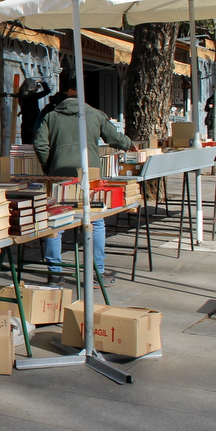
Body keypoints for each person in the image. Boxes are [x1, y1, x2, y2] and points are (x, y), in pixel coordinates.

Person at [34, 75, 136, 288]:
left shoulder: (51, 116)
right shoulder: (95, 115)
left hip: (59, 175)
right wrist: (129, 145)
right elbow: (114, 138)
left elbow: (40, 144)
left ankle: (55, 273)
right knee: (95, 220)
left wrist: (49, 166)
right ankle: (96, 272)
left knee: (56, 221)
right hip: (89, 174)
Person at [17, 79, 51, 143]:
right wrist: (42, 82)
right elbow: (47, 91)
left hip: (25, 123)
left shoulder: (21, 96)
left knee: (26, 143)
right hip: (33, 123)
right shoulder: (32, 96)